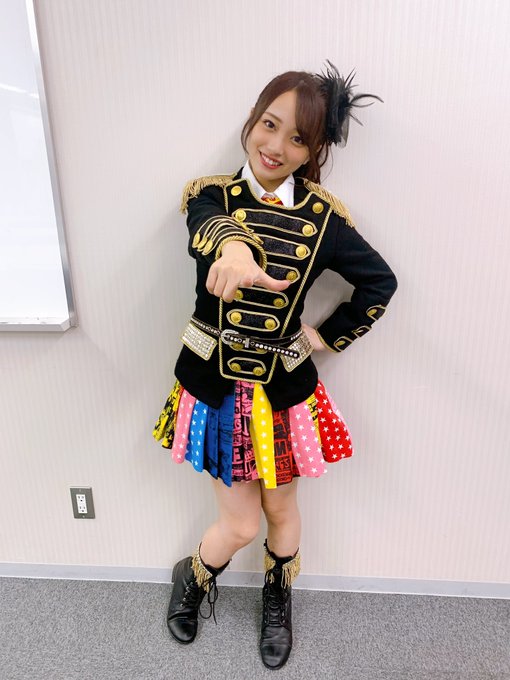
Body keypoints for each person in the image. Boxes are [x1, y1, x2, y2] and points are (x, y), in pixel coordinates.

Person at [152, 61, 398, 670]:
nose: (276, 146)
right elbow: (209, 228)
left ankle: (277, 596)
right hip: (216, 388)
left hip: (281, 392)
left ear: (314, 152)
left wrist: (322, 337)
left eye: (298, 138)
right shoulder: (211, 195)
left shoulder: (324, 219)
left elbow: (379, 283)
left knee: (282, 510)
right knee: (238, 525)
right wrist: (235, 247)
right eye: (269, 124)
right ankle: (195, 573)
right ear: (252, 120)